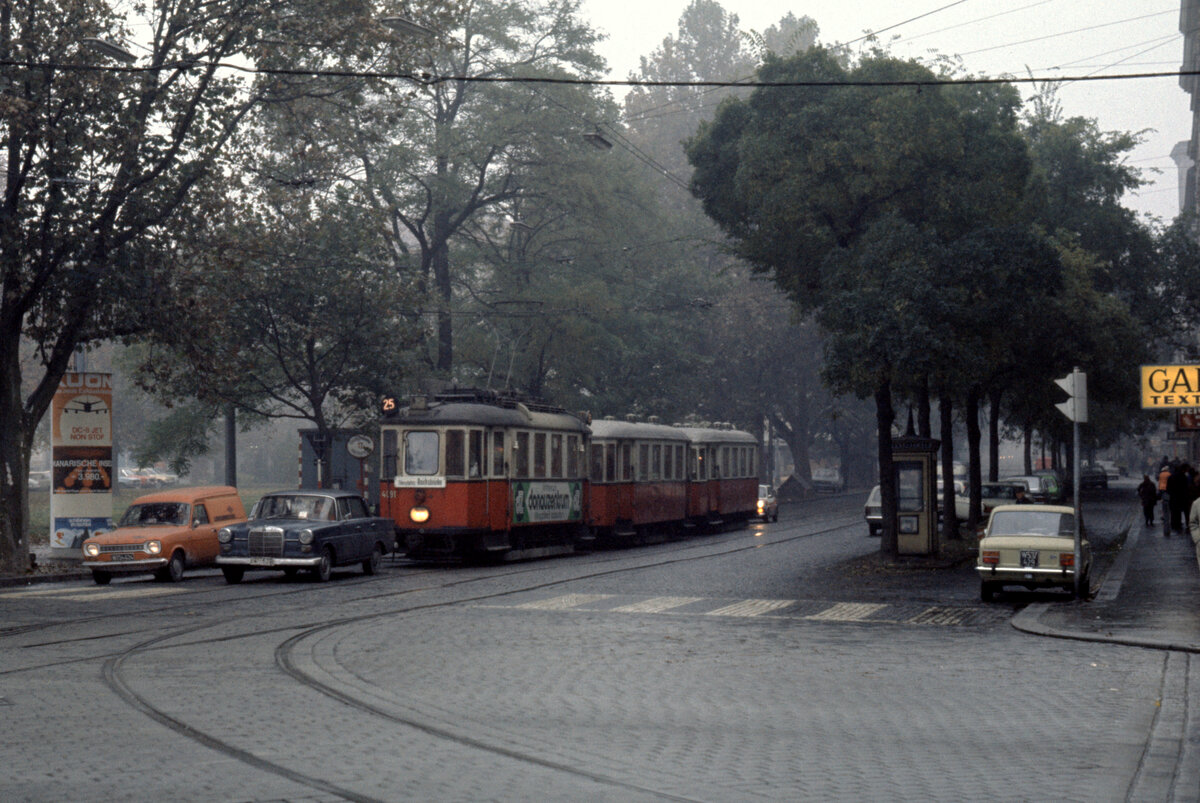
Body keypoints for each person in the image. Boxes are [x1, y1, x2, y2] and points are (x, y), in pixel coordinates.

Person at [1159, 462, 1173, 537]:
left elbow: (1160, 482)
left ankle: (1163, 516)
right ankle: (1168, 528)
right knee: (1168, 510)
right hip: (1167, 490)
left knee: (1163, 504)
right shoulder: (1169, 475)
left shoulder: (1161, 474)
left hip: (1162, 489)